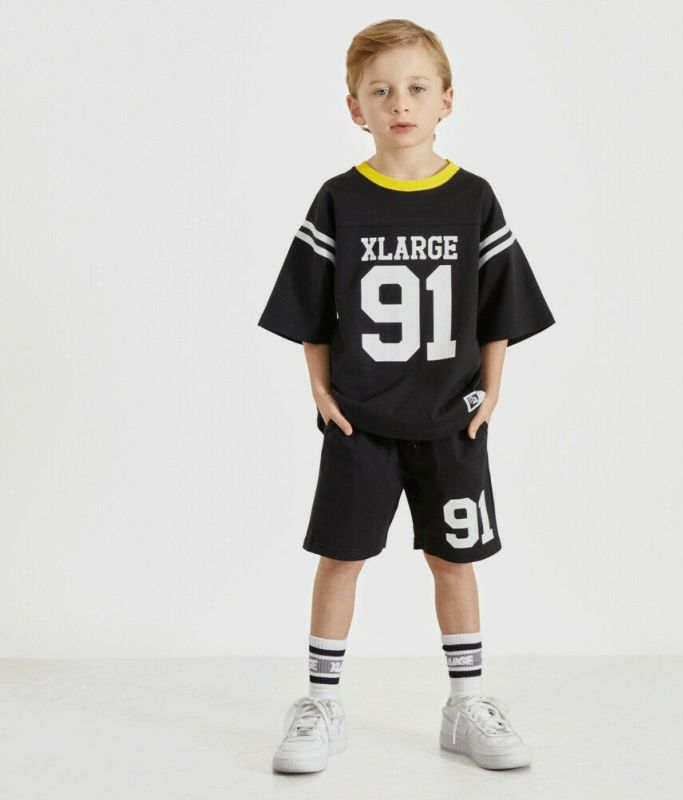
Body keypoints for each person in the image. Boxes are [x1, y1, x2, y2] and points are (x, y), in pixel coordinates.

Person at [258, 18, 555, 773]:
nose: (400, 103)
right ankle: (321, 702)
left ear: (446, 99)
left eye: (417, 88)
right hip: (360, 420)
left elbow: (500, 306)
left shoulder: (474, 198)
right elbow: (309, 308)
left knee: (454, 559)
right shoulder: (339, 199)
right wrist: (320, 386)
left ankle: (467, 702)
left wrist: (491, 390)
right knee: (340, 557)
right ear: (354, 107)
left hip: (450, 419)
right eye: (382, 90)